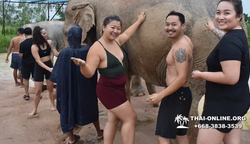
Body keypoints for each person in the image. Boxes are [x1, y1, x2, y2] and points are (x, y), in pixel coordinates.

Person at [72, 12, 146, 144]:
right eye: (113, 27)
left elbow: (128, 34)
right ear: (103, 27)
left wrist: (139, 21)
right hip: (108, 90)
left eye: (118, 28)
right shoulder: (96, 48)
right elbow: (89, 74)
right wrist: (83, 65)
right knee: (130, 118)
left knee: (113, 119)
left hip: (118, 89)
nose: (116, 31)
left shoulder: (116, 41)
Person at [192, 0, 250, 144]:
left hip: (222, 107)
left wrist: (201, 74)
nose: (220, 17)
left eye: (227, 13)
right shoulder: (238, 35)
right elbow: (228, 41)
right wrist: (213, 29)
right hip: (237, 102)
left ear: (238, 17)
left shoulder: (230, 43)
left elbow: (230, 77)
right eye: (218, 13)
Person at [50, 25, 103, 144]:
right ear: (80, 36)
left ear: (69, 37)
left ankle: (72, 139)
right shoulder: (88, 50)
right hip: (86, 88)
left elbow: (56, 74)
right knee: (91, 108)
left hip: (67, 89)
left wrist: (54, 90)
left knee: (68, 109)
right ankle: (99, 133)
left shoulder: (64, 53)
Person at [148, 11, 193, 144]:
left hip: (175, 96)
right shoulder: (186, 40)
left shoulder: (180, 48)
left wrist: (160, 95)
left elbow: (182, 77)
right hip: (183, 95)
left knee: (163, 136)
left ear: (183, 26)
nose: (169, 27)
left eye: (174, 24)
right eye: (167, 24)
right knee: (181, 134)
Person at [29, 26, 59, 116]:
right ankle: (35, 109)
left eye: (46, 33)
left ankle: (52, 105)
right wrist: (49, 69)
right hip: (39, 68)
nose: (46, 35)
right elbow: (38, 61)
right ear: (39, 35)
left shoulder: (49, 43)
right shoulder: (34, 47)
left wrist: (66, 50)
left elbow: (56, 54)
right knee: (38, 91)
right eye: (44, 33)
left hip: (49, 65)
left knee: (50, 88)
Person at [19, 27, 35, 100]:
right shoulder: (35, 42)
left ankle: (27, 94)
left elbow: (21, 55)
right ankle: (38, 94)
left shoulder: (22, 44)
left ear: (24, 34)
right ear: (31, 33)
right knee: (36, 79)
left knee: (26, 79)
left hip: (25, 63)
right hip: (35, 63)